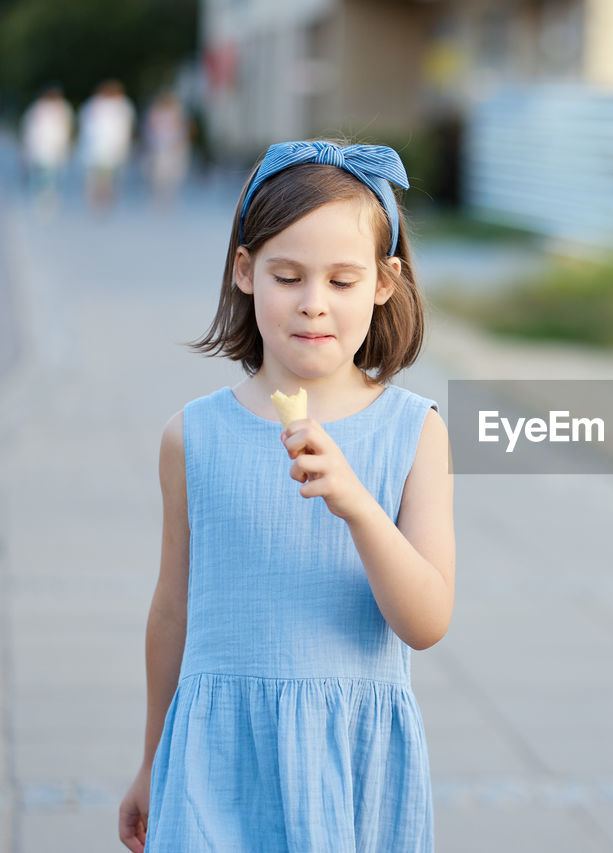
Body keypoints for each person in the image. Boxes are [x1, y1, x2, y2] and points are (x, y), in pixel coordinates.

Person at [117, 140, 455, 852]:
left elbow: (426, 620)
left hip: (350, 769)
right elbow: (173, 608)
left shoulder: (414, 432)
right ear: (245, 271)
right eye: (288, 275)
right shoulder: (194, 435)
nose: (313, 304)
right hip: (216, 760)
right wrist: (153, 757)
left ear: (385, 283)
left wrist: (359, 506)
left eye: (342, 280)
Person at [79, 79, 135, 210]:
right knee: (100, 176)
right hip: (99, 148)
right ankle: (99, 199)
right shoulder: (95, 105)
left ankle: (103, 199)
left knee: (106, 176)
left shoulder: (122, 106)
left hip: (109, 149)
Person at [20, 85, 74, 208]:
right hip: (44, 147)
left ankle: (43, 197)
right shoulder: (40, 109)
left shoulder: (40, 108)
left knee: (46, 174)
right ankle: (45, 197)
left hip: (46, 148)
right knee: (45, 174)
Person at [143, 91, 191, 206]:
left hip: (172, 146)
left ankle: (167, 196)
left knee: (171, 173)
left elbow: (182, 129)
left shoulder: (176, 112)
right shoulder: (156, 112)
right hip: (159, 146)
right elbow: (150, 129)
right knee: (158, 173)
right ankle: (159, 196)